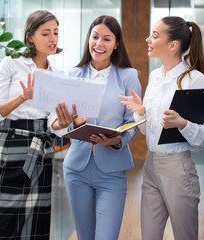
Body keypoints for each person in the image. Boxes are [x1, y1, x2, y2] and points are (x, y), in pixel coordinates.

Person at [119, 16, 204, 240]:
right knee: (149, 235)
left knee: (185, 235)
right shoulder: (155, 77)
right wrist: (141, 112)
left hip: (178, 168)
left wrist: (183, 124)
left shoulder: (195, 79)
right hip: (151, 165)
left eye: (155, 35)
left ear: (173, 45)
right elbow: (148, 131)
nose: (148, 39)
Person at [0, 10, 71, 240]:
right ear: (30, 36)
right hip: (10, 148)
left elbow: (54, 125)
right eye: (46, 33)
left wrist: (63, 121)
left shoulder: (58, 74)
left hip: (41, 151)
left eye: (56, 33)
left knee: (37, 227)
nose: (53, 39)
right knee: (7, 225)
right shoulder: (11, 63)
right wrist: (22, 98)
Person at [59, 15, 141, 240]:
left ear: (116, 44)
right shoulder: (74, 74)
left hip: (112, 171)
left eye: (107, 39)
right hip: (76, 169)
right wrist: (76, 122)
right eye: (95, 37)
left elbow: (132, 121)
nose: (99, 43)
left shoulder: (129, 76)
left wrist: (117, 140)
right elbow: (65, 121)